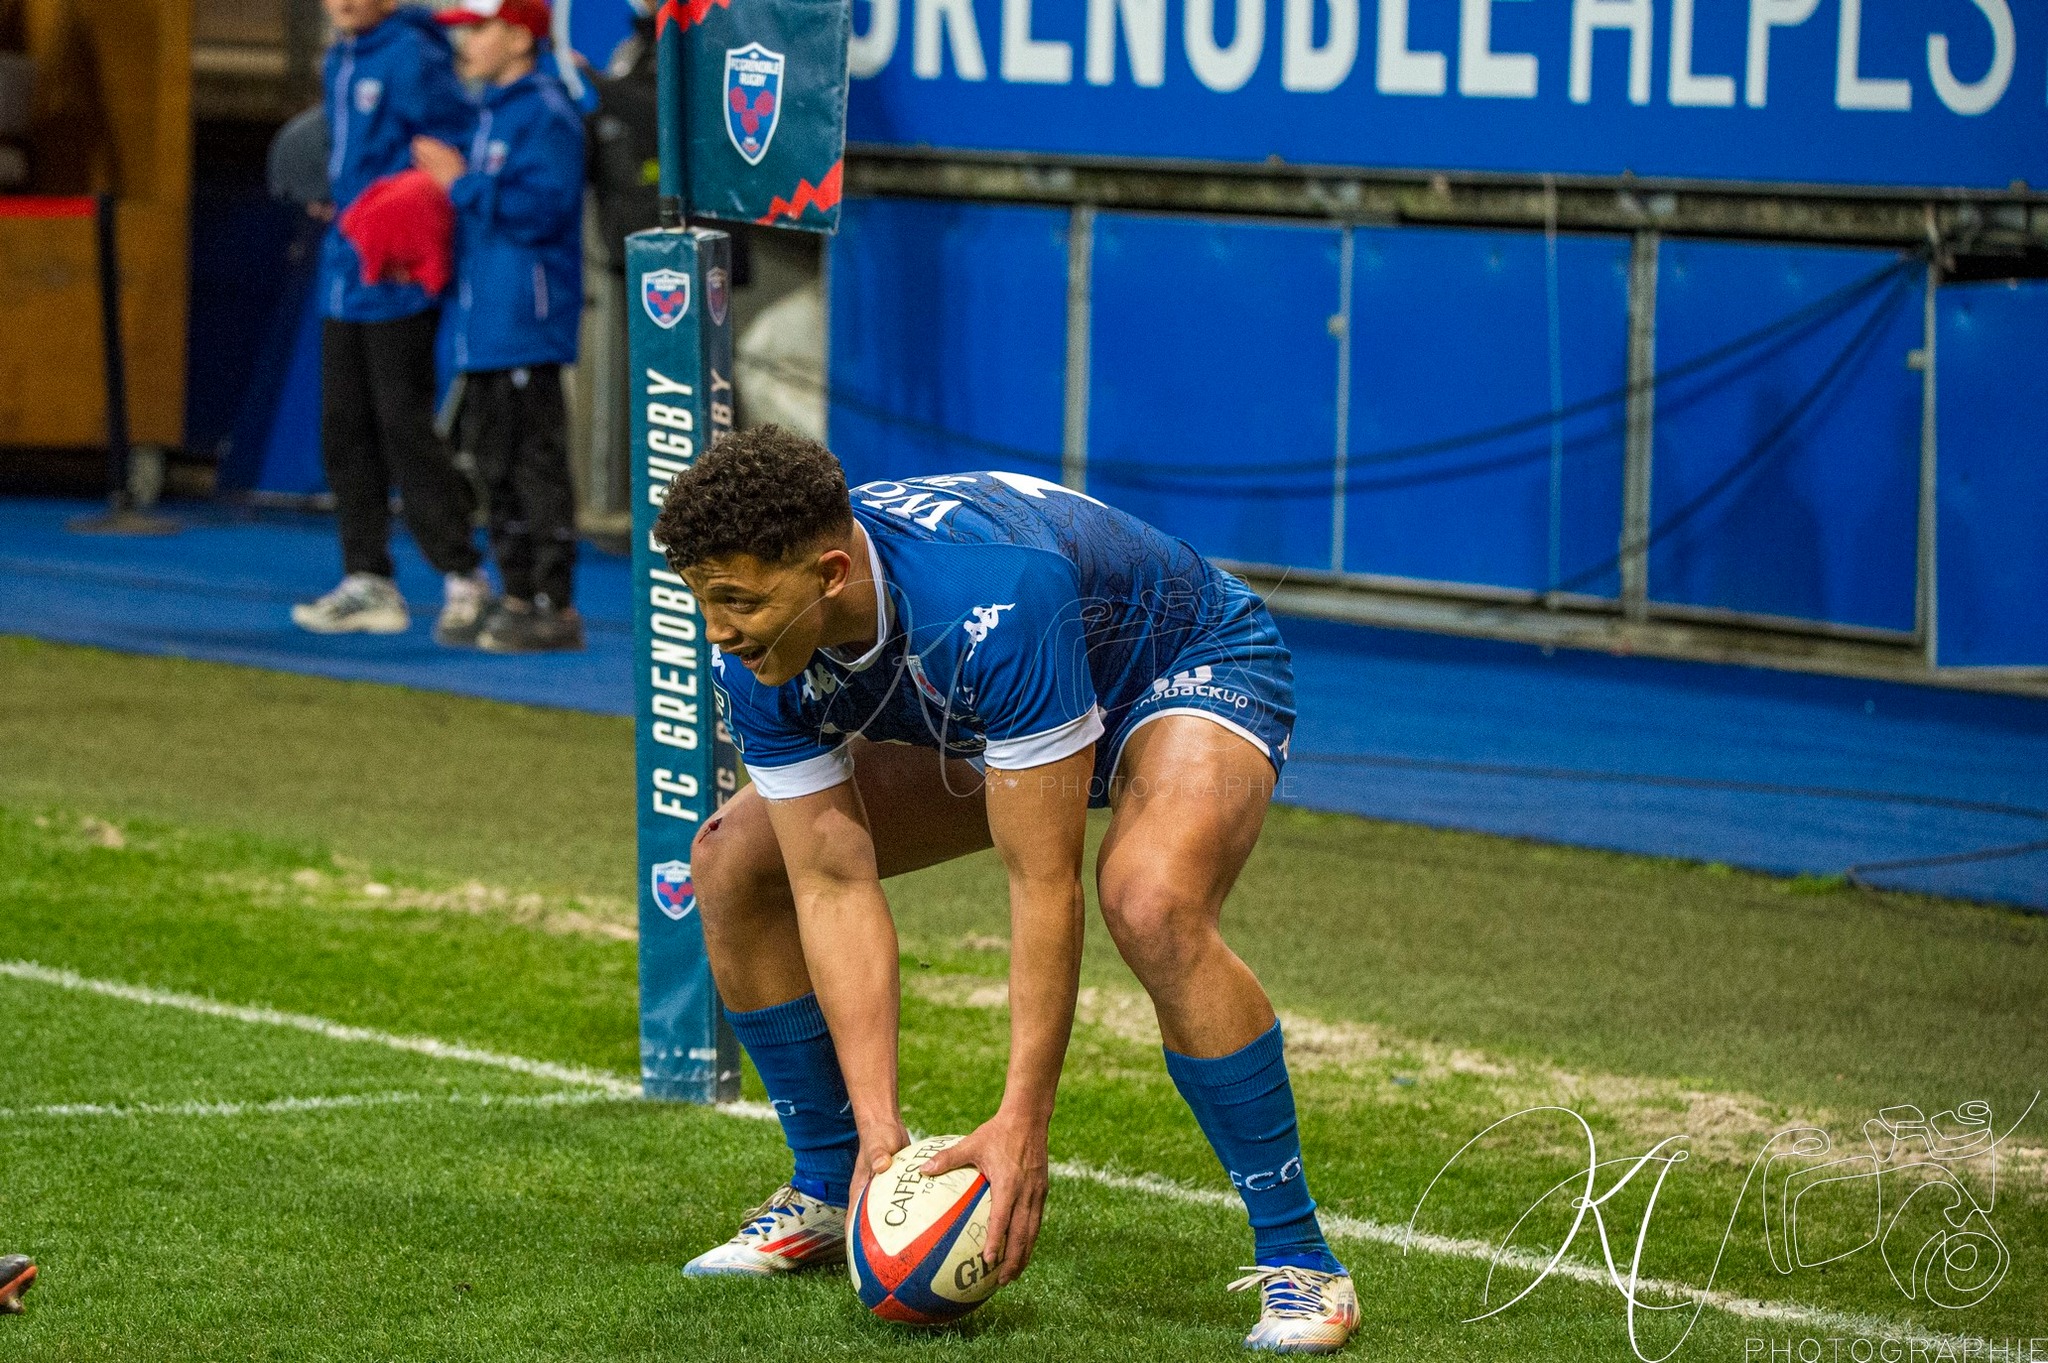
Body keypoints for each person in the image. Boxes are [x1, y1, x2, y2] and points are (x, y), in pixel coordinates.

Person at [658, 429, 1359, 1355]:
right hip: (994, 706)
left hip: (1182, 662)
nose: (717, 630)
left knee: (1149, 900)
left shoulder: (989, 593)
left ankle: (1301, 1256)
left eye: (739, 602)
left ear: (830, 574)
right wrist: (880, 1128)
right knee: (733, 859)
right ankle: (831, 1185)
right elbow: (830, 879)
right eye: (704, 600)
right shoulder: (752, 659)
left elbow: (1041, 881)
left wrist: (1023, 1122)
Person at [292, 0, 493, 642]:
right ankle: (368, 580)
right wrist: (343, 202)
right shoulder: (340, 58)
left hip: (398, 277)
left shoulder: (413, 55)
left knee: (403, 425)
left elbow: (453, 150)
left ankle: (463, 576)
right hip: (344, 271)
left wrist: (402, 216)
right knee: (343, 427)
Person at [414, 0, 587, 652]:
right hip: (486, 323)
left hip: (525, 323)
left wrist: (459, 184)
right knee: (496, 468)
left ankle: (553, 604)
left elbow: (543, 210)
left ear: (519, 38)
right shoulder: (494, 111)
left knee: (533, 465)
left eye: (479, 29)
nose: (466, 42)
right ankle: (517, 594)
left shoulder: (545, 113)